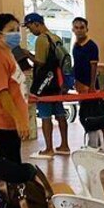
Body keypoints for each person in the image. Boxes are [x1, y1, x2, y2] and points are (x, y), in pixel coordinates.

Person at [0, 14, 29, 164]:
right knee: (10, 167)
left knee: (14, 162)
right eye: (11, 30)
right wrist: (19, 120)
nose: (16, 33)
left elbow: (14, 85)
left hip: (11, 122)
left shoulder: (9, 53)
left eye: (17, 29)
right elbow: (2, 92)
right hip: (2, 123)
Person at [25, 13, 70, 158]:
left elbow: (40, 62)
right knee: (60, 114)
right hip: (57, 82)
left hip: (44, 84)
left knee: (45, 116)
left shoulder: (41, 39)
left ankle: (48, 148)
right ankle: (64, 145)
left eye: (30, 27)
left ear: (36, 23)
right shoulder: (55, 37)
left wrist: (27, 55)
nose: (30, 31)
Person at [71, 17, 98, 94]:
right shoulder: (75, 45)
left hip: (88, 84)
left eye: (82, 28)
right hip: (78, 82)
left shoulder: (91, 46)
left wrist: (92, 85)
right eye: (76, 28)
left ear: (86, 29)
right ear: (73, 29)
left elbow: (94, 66)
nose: (79, 30)